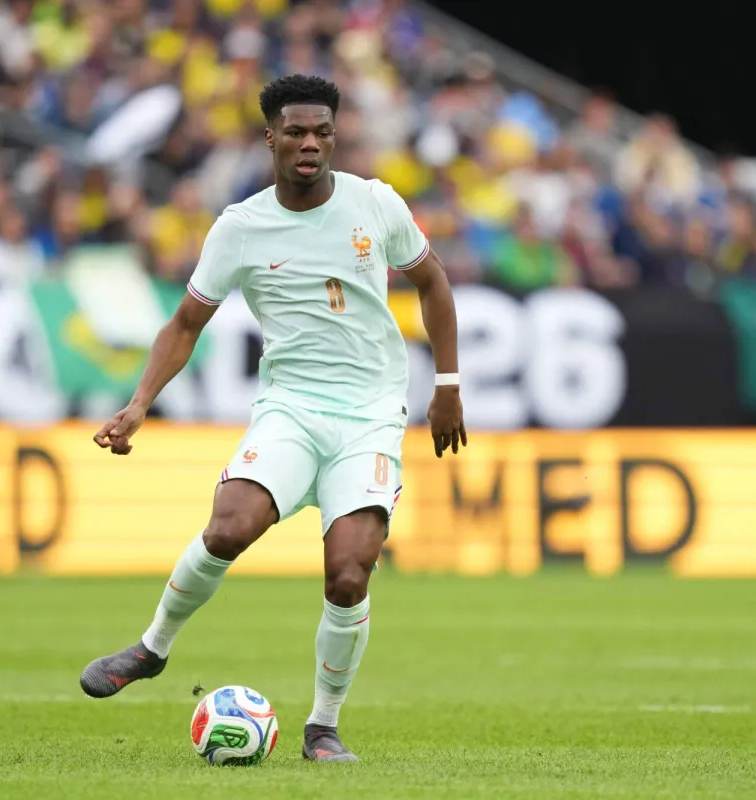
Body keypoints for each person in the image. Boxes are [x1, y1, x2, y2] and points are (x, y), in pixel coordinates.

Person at [78, 75, 467, 763]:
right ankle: (152, 648)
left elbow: (432, 281)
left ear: (335, 136)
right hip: (290, 409)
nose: (310, 143)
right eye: (296, 132)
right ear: (271, 138)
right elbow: (186, 322)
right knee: (229, 526)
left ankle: (322, 727)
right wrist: (139, 404)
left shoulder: (375, 204)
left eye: (322, 132)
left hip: (370, 416)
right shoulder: (240, 226)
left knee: (348, 574)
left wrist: (448, 385)